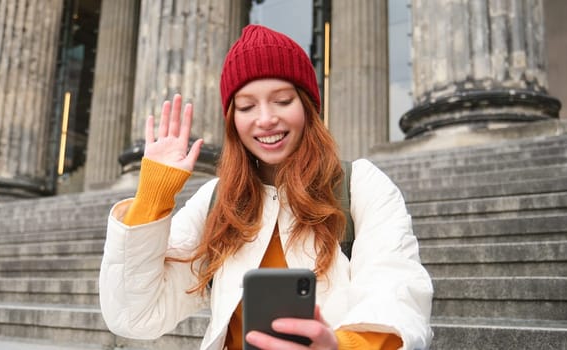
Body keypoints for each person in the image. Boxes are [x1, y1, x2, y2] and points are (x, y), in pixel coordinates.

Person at [99, 24, 433, 350]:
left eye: (283, 100)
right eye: (246, 107)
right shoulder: (215, 201)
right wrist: (153, 197)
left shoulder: (361, 184)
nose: (265, 119)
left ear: (307, 106)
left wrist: (337, 346)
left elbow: (398, 295)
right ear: (232, 120)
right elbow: (135, 316)